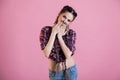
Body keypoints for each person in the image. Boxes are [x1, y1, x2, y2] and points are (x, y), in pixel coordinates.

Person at [39, 5, 77, 80]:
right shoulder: (46, 31)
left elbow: (68, 55)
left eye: (69, 20)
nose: (65, 21)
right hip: (55, 72)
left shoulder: (71, 33)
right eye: (64, 17)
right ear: (59, 14)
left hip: (70, 70)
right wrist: (53, 33)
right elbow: (46, 53)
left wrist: (59, 37)